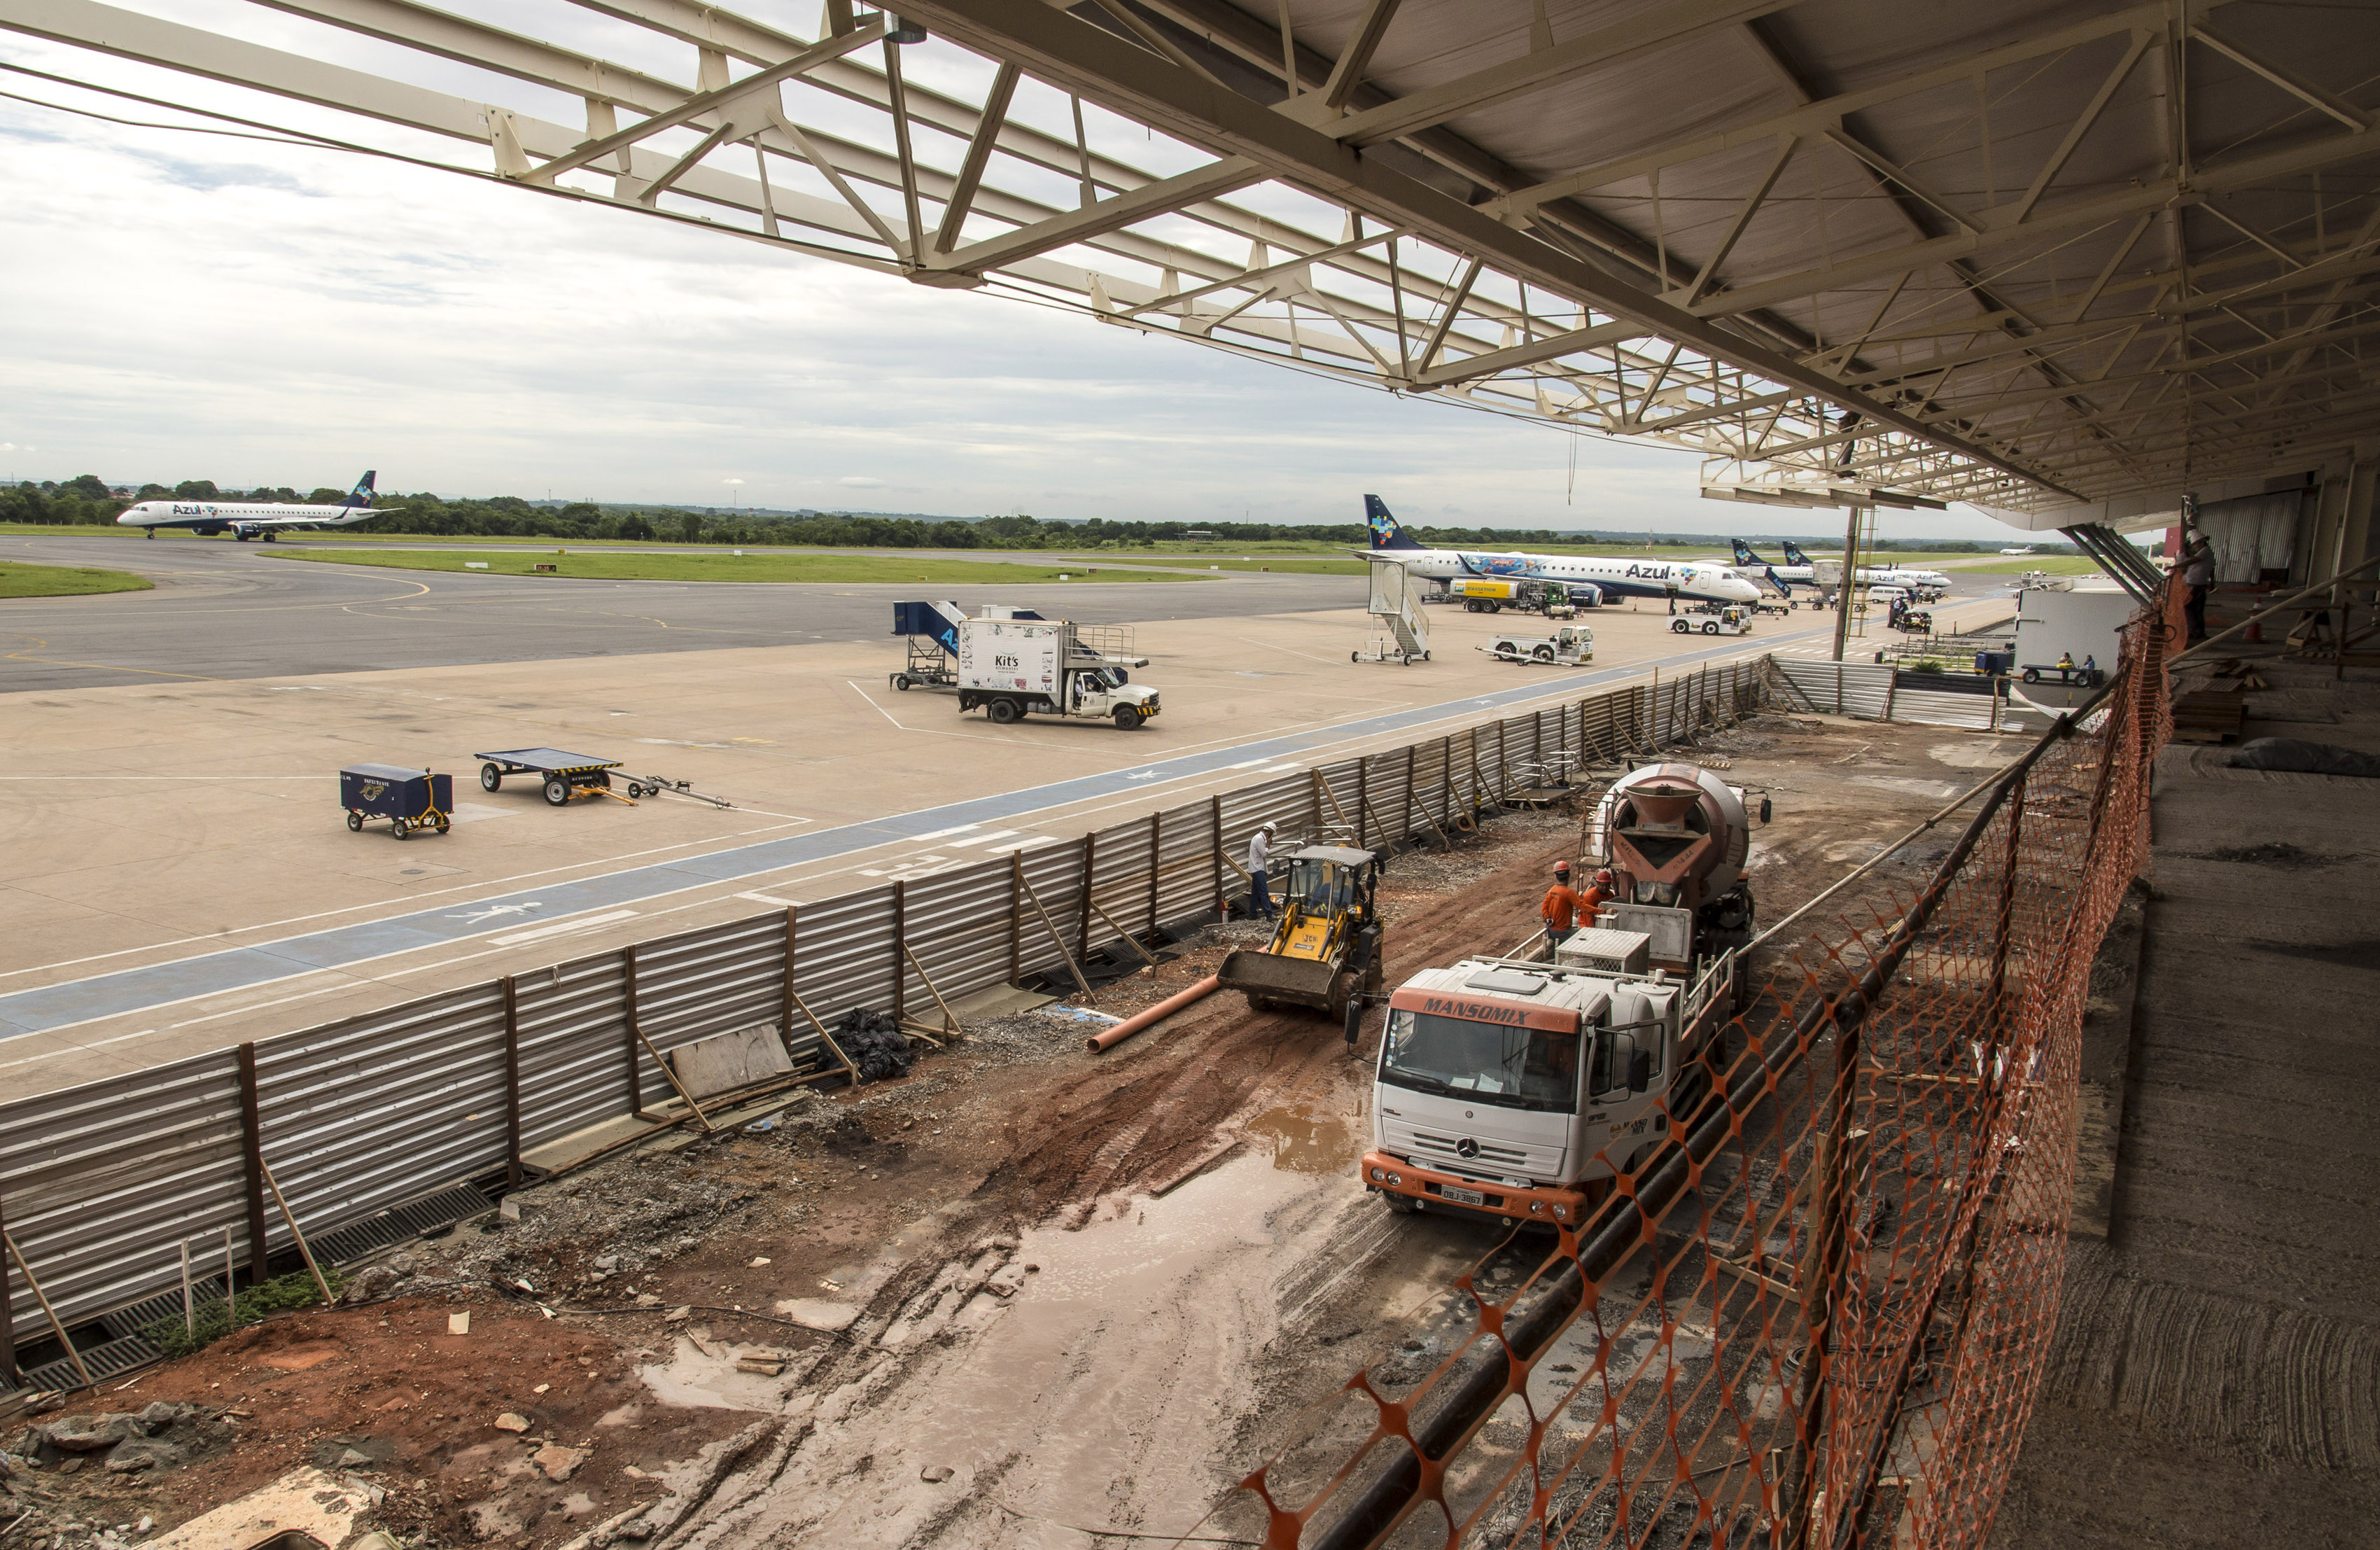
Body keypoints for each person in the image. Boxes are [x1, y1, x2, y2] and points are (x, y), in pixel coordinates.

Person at [1541, 862, 1584, 950]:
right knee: (1584, 936)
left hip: (1550, 931)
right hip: (1564, 933)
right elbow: (1583, 907)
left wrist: (1548, 917)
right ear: (1568, 875)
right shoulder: (1569, 893)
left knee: (1553, 950)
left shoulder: (1552, 891)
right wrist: (1603, 911)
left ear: (1556, 876)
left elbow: (1544, 908)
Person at [2181, 534, 2216, 642]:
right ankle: (2197, 633)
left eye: (2195, 545)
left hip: (2196, 586)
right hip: (2197, 585)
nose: (2194, 548)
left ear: (2201, 542)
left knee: (2190, 607)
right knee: (2196, 609)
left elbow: (2192, 562)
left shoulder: (2204, 552)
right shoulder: (2205, 552)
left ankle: (2195, 633)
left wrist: (2175, 567)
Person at [1247, 821, 1276, 921]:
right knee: (1264, 891)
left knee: (1255, 892)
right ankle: (1269, 914)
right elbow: (1264, 854)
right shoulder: (1259, 839)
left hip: (1257, 868)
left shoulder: (1258, 838)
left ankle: (1253, 914)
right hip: (1257, 869)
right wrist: (1268, 844)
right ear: (1269, 833)